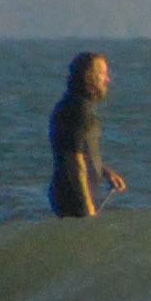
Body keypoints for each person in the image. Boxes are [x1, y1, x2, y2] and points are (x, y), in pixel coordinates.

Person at [48, 50, 126, 217]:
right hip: (74, 196)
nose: (107, 79)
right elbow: (73, 160)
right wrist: (86, 206)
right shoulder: (78, 110)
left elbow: (81, 152)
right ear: (89, 76)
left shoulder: (76, 105)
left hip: (74, 192)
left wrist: (104, 171)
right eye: (103, 74)